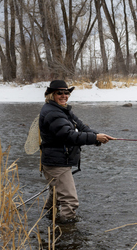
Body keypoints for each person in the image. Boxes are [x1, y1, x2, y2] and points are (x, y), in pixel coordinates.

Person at [39, 80, 115, 224]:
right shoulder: (52, 113)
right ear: (51, 95)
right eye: (59, 93)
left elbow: (81, 127)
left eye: (66, 93)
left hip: (57, 161)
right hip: (56, 164)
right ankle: (66, 231)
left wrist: (98, 136)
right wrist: (94, 138)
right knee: (69, 201)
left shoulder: (62, 110)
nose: (64, 95)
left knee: (55, 196)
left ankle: (47, 225)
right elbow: (68, 136)